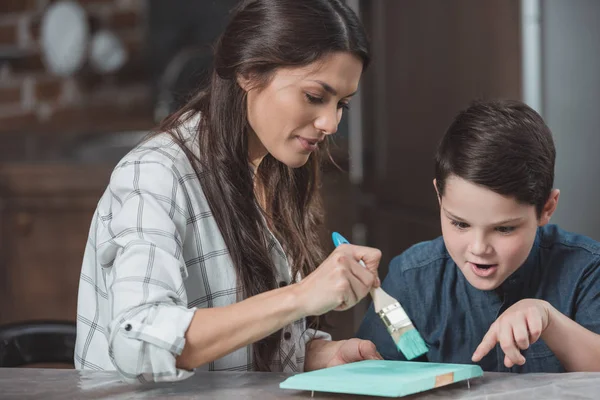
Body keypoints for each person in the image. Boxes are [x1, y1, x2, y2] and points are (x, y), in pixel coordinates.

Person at [75, 0, 383, 383]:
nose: (330, 123)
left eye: (342, 105)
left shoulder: (277, 168)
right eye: (315, 96)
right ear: (250, 72)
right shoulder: (155, 174)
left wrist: (321, 355)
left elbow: (251, 345)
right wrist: (300, 295)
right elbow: (139, 342)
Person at [357, 100, 600, 373]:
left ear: (546, 208)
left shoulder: (586, 271)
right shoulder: (411, 279)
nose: (478, 248)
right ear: (439, 197)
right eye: (460, 224)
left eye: (504, 229)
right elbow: (372, 375)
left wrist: (550, 322)